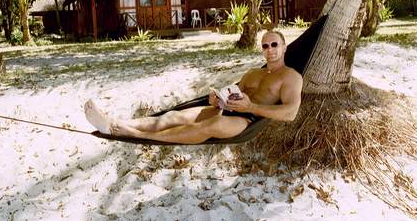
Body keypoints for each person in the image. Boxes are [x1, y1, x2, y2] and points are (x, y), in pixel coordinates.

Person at [84, 30, 303, 144]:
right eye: (265, 45)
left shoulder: (290, 77)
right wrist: (218, 100)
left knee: (210, 125)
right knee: (171, 117)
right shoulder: (252, 73)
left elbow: (290, 113)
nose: (270, 49)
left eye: (275, 44)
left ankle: (132, 134)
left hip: (246, 121)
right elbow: (234, 93)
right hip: (227, 110)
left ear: (284, 47)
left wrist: (251, 108)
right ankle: (114, 123)